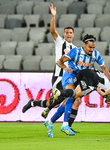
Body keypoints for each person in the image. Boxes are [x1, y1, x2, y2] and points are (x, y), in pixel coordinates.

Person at [22, 4, 80, 133]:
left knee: (65, 101)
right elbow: (53, 31)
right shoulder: (60, 42)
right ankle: (62, 124)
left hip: (68, 78)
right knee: (59, 102)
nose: (69, 34)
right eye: (67, 32)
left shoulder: (76, 49)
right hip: (59, 76)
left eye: (71, 33)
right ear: (64, 34)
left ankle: (35, 105)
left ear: (73, 35)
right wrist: (53, 16)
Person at [44, 34, 110, 136]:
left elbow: (104, 68)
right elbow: (59, 61)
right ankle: (65, 125)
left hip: (81, 78)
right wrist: (66, 68)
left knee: (70, 101)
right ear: (84, 45)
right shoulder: (75, 52)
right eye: (90, 47)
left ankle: (50, 122)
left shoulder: (96, 54)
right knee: (73, 96)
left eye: (93, 47)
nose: (92, 50)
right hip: (70, 76)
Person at [44, 68, 110, 137]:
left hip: (87, 74)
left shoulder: (109, 93)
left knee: (70, 98)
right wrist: (103, 93)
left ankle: (51, 122)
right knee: (74, 96)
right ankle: (59, 93)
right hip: (92, 79)